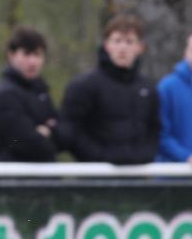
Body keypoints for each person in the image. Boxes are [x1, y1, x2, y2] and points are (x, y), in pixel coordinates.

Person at [60, 14, 159, 164]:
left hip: (138, 176)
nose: (123, 47)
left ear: (140, 48)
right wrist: (102, 157)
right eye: (117, 41)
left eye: (129, 42)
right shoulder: (84, 86)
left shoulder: (148, 88)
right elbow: (71, 132)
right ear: (107, 45)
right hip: (96, 177)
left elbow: (155, 130)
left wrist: (143, 156)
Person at [0, 25, 63, 161]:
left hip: (46, 179)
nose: (32, 61)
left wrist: (47, 133)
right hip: (12, 179)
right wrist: (45, 133)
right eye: (26, 54)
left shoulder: (42, 92)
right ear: (11, 55)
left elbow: (64, 135)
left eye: (37, 54)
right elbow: (30, 144)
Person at [157, 32, 192, 163]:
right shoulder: (167, 87)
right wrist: (186, 157)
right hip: (174, 176)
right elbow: (160, 134)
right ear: (186, 52)